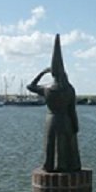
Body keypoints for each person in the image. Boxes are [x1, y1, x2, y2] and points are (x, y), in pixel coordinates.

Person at [27, 34, 81, 173]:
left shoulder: (47, 90)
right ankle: (70, 165)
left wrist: (42, 73)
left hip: (52, 120)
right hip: (66, 120)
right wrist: (75, 125)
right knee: (69, 145)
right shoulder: (69, 89)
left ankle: (50, 165)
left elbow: (30, 86)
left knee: (51, 144)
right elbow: (72, 110)